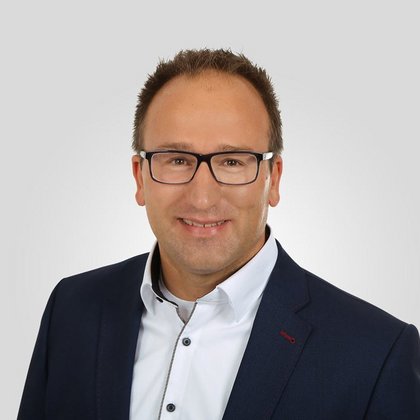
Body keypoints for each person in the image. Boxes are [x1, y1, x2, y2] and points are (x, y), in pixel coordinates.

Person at [18, 49, 420, 420]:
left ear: (273, 179)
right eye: (177, 160)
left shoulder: (377, 353)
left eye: (232, 161)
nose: (203, 197)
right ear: (140, 178)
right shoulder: (72, 308)